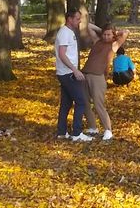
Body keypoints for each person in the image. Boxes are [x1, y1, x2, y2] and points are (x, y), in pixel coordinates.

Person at [81, 23, 129, 141]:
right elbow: (88, 26)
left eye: (109, 35)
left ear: (113, 35)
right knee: (84, 102)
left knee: (98, 104)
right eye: (105, 34)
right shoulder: (97, 41)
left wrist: (115, 33)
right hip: (85, 74)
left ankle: (108, 130)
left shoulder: (114, 45)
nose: (106, 37)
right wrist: (102, 30)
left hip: (98, 76)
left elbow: (126, 32)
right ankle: (93, 127)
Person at [54, 9, 92, 142]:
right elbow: (62, 54)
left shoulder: (69, 32)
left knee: (66, 103)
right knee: (81, 101)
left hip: (65, 72)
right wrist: (75, 70)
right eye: (77, 18)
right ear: (69, 19)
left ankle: (61, 132)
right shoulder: (65, 33)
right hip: (68, 73)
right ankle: (77, 133)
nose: (79, 21)